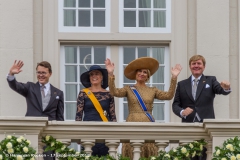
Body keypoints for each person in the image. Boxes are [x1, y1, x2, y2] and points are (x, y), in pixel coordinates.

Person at [105, 57, 182, 159]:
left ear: (148, 76)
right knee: (131, 153)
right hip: (132, 122)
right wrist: (110, 74)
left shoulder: (152, 90)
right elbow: (114, 92)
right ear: (135, 74)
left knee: (149, 153)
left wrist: (174, 78)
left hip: (148, 123)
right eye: (139, 71)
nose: (142, 73)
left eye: (145, 72)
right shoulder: (128, 89)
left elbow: (168, 96)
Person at [172, 55, 231, 160]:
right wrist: (182, 112)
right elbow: (175, 105)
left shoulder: (211, 80)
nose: (196, 66)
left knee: (205, 156)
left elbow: (220, 90)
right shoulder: (182, 84)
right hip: (188, 126)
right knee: (189, 156)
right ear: (190, 66)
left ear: (204, 66)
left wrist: (226, 88)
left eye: (199, 63)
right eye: (193, 64)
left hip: (206, 127)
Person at [7, 60, 64, 160]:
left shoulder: (58, 93)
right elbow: (15, 86)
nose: (40, 75)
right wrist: (11, 74)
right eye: (39, 72)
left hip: (49, 136)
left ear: (50, 73)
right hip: (31, 132)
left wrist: (60, 137)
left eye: (43, 73)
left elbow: (59, 117)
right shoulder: (30, 87)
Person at [75, 65, 117, 157]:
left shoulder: (109, 94)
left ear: (102, 77)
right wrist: (77, 134)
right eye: (91, 74)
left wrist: (115, 135)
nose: (94, 76)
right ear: (89, 78)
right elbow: (78, 115)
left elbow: (113, 116)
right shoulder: (83, 93)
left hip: (105, 131)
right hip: (88, 131)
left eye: (97, 74)